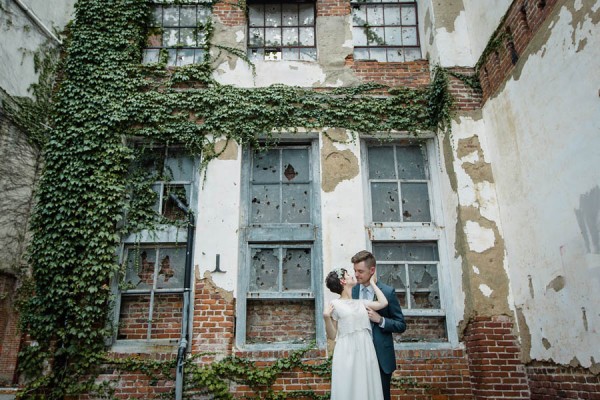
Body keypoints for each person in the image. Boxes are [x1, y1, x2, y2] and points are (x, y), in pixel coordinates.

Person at [323, 267, 388, 400]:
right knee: (348, 386)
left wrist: (373, 283)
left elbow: (383, 303)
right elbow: (332, 335)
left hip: (365, 349)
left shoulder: (361, 302)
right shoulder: (335, 304)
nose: (352, 275)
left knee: (367, 385)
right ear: (342, 281)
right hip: (346, 351)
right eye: (347, 274)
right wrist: (326, 317)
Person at [352, 250, 406, 400]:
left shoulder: (388, 292)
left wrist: (380, 320)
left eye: (360, 271)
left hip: (380, 356)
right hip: (358, 355)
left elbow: (401, 325)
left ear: (372, 270)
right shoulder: (352, 291)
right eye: (355, 271)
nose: (356, 275)